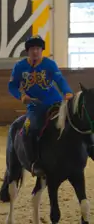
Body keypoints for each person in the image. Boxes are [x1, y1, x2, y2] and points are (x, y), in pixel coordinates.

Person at [8, 35, 94, 176]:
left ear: (42, 50)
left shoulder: (49, 64)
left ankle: (90, 149)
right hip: (35, 107)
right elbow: (12, 86)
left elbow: (59, 80)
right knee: (30, 129)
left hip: (55, 103)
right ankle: (34, 162)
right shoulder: (19, 67)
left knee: (76, 122)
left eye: (38, 49)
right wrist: (21, 96)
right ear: (27, 51)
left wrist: (67, 92)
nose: (35, 52)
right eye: (32, 49)